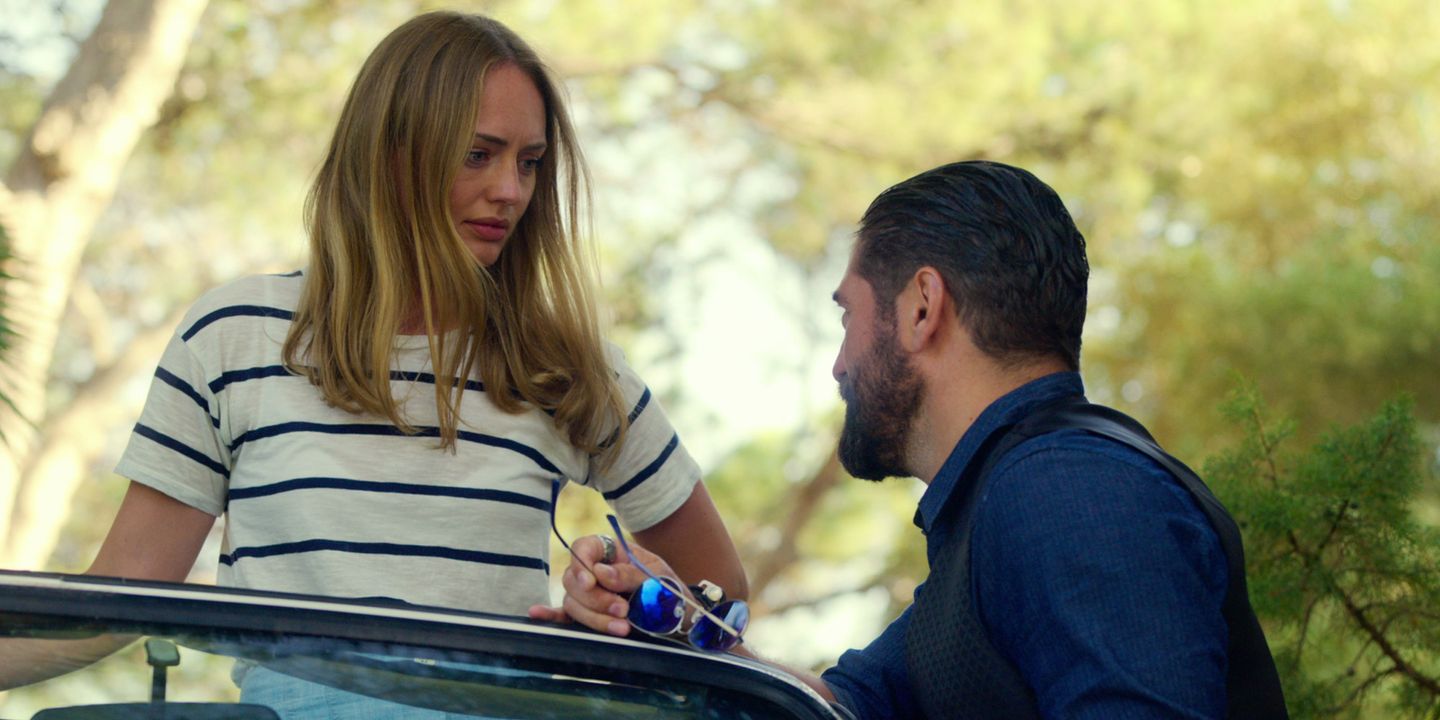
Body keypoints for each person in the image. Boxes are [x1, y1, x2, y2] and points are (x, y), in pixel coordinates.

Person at [0, 9, 746, 711]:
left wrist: (635, 600)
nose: (510, 191)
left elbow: (722, 601)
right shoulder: (235, 337)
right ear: (391, 158)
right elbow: (118, 596)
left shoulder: (562, 367)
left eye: (529, 162)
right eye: (478, 155)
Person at [532, 160, 1288, 718]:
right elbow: (844, 708)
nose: (838, 364)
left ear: (923, 306)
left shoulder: (1067, 492)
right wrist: (678, 624)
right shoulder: (1003, 507)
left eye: (848, 317)